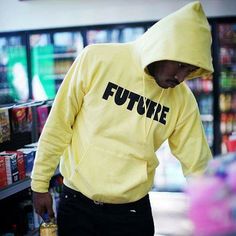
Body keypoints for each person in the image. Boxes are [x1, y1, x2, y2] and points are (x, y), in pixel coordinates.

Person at [31, 1, 214, 235]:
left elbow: (197, 161)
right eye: (179, 65)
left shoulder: (183, 100)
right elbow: (59, 124)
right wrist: (39, 183)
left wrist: (213, 208)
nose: (180, 77)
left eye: (189, 70)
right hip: (77, 204)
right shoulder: (96, 59)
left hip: (132, 214)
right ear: (163, 47)